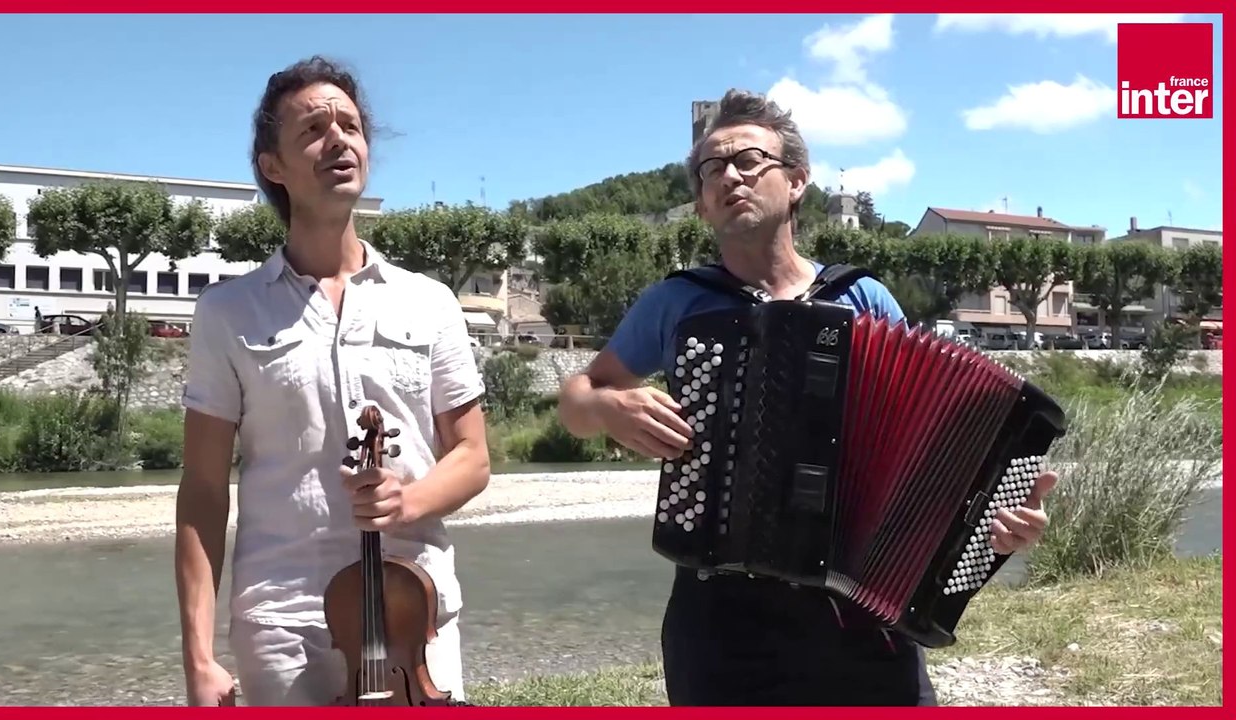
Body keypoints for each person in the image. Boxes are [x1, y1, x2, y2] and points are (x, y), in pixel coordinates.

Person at [556, 88, 1059, 706]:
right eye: (711, 170)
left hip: (856, 613)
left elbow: (931, 453)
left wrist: (990, 523)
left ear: (796, 182)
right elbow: (577, 396)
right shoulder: (677, 302)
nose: (728, 177)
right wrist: (606, 407)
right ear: (701, 207)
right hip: (721, 617)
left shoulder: (862, 299)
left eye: (748, 161)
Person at [174, 56, 490, 707]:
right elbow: (203, 492)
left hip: (414, 615)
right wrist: (198, 657)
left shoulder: (429, 302)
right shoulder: (227, 313)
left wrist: (410, 502)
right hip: (280, 622)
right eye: (314, 129)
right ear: (273, 166)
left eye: (350, 124)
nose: (339, 139)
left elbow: (473, 456)